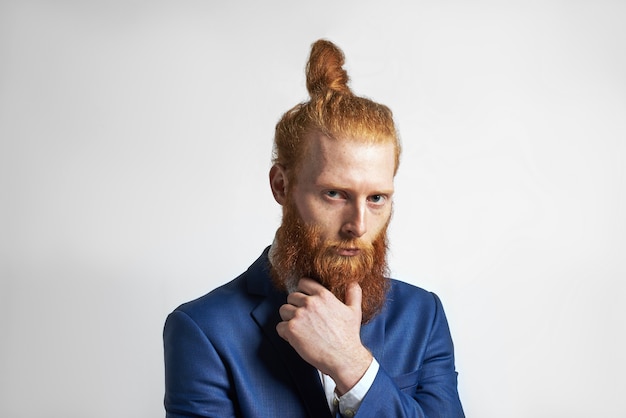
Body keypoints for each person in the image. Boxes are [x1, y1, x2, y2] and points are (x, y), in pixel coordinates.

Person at [163, 39, 464, 418]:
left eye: (376, 199)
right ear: (281, 186)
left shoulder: (422, 315)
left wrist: (353, 366)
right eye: (335, 194)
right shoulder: (204, 331)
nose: (358, 225)